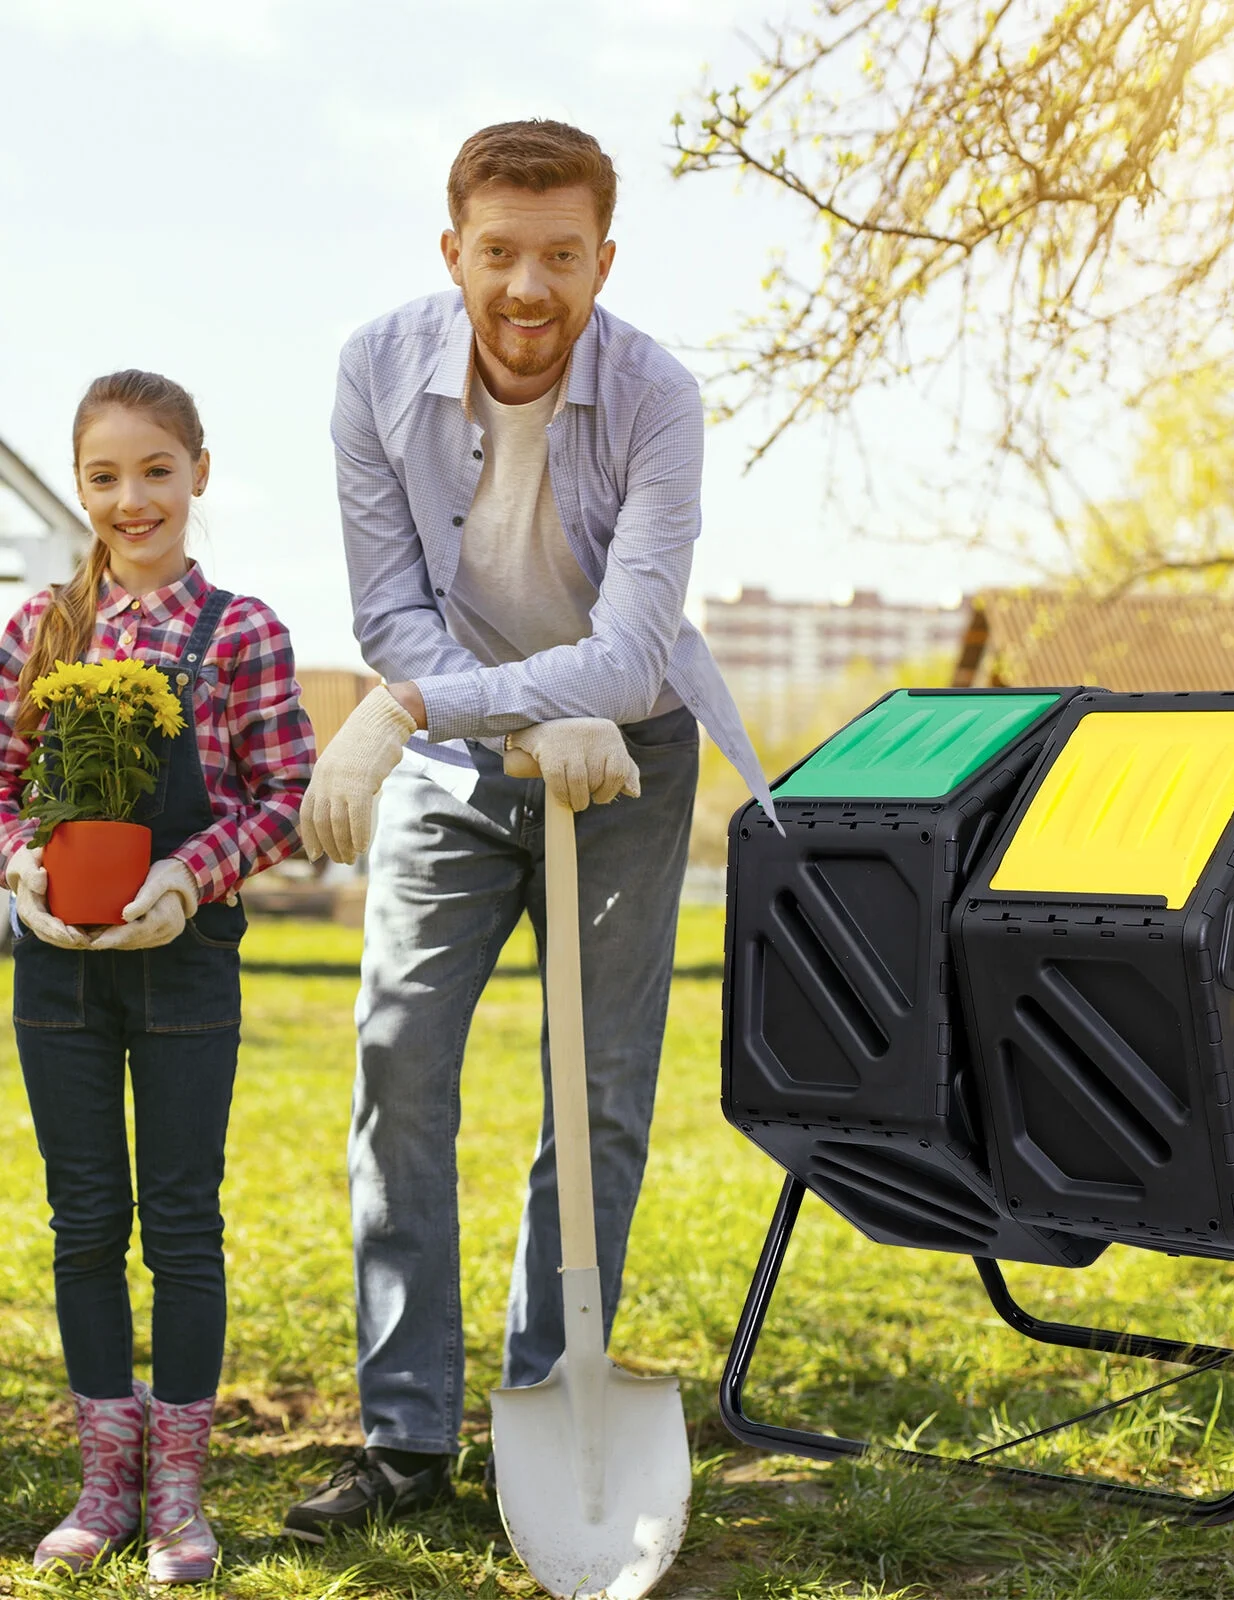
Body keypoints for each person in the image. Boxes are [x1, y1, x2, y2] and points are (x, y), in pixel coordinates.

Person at [282, 118, 773, 1538]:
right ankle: (406, 1437)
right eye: (499, 253)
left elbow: (628, 654)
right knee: (398, 1065)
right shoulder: (375, 371)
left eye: (563, 256)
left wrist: (484, 706)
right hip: (445, 753)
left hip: (629, 755)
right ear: (454, 253)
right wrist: (477, 720)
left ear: (604, 260)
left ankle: (546, 1408)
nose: (528, 288)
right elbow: (389, 611)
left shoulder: (658, 396)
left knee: (598, 1092)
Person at [2, 371, 317, 1580]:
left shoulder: (240, 631)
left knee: (182, 1225)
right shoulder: (39, 631)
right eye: (103, 476)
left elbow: (282, 798)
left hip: (186, 967)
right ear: (81, 487)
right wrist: (23, 865)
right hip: (59, 976)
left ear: (197, 471)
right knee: (83, 1222)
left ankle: (181, 1493)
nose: (131, 499)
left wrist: (191, 873)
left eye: (154, 471)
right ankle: (102, 1483)